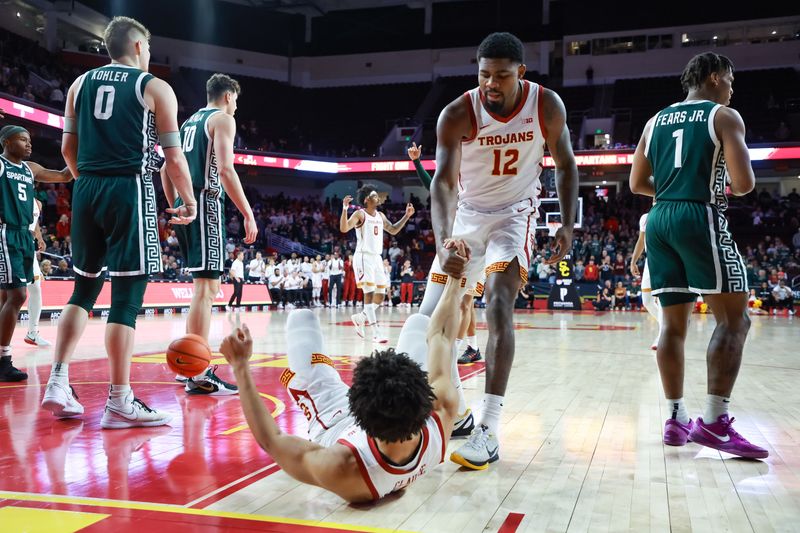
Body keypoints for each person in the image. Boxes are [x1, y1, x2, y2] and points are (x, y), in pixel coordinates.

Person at [418, 32, 578, 469]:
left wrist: (566, 223)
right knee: (428, 318)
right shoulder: (457, 113)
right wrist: (444, 241)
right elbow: (442, 183)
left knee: (498, 303)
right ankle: (460, 414)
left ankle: (488, 429)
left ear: (520, 73)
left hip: (515, 215)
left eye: (502, 75)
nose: (491, 83)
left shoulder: (546, 105)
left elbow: (565, 164)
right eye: (484, 74)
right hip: (467, 217)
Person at [221, 240, 469, 502]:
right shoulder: (442, 411)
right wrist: (455, 277)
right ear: (427, 398)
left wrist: (240, 366)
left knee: (301, 318)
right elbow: (441, 335)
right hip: (386, 420)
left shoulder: (344, 467)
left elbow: (273, 440)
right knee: (420, 322)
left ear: (357, 411)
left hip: (333, 422)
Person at [40, 17, 197, 427]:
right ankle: (119, 401)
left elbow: (67, 149)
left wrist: (87, 182)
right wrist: (188, 200)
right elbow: (174, 156)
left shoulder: (79, 85)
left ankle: (57, 380)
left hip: (87, 187)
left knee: (83, 289)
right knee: (126, 298)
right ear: (139, 46)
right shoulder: (154, 87)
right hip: (128, 188)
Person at [629, 51, 767, 458]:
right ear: (714, 77)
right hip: (697, 216)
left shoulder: (654, 120)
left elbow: (637, 183)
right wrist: (705, 187)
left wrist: (674, 190)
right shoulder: (724, 116)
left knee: (672, 326)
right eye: (730, 80)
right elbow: (744, 184)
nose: (731, 89)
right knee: (735, 319)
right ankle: (715, 423)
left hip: (659, 219)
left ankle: (676, 419)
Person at [162, 73, 257, 394]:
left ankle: (188, 366)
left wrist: (176, 203)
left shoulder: (188, 123)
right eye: (236, 101)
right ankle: (198, 372)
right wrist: (248, 213)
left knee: (201, 288)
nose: (236, 107)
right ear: (228, 96)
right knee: (207, 289)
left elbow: (165, 168)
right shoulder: (222, 120)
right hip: (206, 204)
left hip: (187, 204)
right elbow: (226, 170)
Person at [0, 126, 73, 382]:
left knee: (6, 297)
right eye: (22, 139)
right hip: (5, 232)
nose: (29, 144)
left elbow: (64, 176)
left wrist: (82, 146)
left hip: (24, 236)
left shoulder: (30, 168)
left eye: (29, 140)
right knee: (18, 295)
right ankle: (4, 360)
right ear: (6, 142)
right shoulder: (1, 164)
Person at [408, 141, 482, 366]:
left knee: (464, 304)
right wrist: (417, 162)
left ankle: (458, 349)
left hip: (473, 254)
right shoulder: (451, 187)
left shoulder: (481, 188)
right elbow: (432, 186)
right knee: (431, 311)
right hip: (448, 252)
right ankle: (469, 347)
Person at [339, 185, 414, 343]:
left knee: (380, 295)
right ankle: (376, 333)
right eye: (374, 196)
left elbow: (393, 230)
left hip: (377, 258)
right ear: (367, 200)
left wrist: (406, 216)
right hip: (363, 257)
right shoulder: (360, 214)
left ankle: (361, 317)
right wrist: (345, 209)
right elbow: (344, 228)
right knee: (369, 293)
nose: (378, 198)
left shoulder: (380, 215)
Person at [631, 209, 662, 349]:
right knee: (647, 301)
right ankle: (666, 325)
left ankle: (662, 336)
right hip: (650, 262)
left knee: (662, 300)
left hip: (666, 260)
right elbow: (641, 241)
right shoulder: (645, 217)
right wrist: (633, 261)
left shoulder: (669, 213)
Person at [24, 198, 50, 346]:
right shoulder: (9, 191)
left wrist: (39, 238)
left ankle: (32, 333)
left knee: (35, 288)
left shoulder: (37, 203)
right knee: (10, 292)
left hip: (28, 247)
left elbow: (35, 223)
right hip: (11, 243)